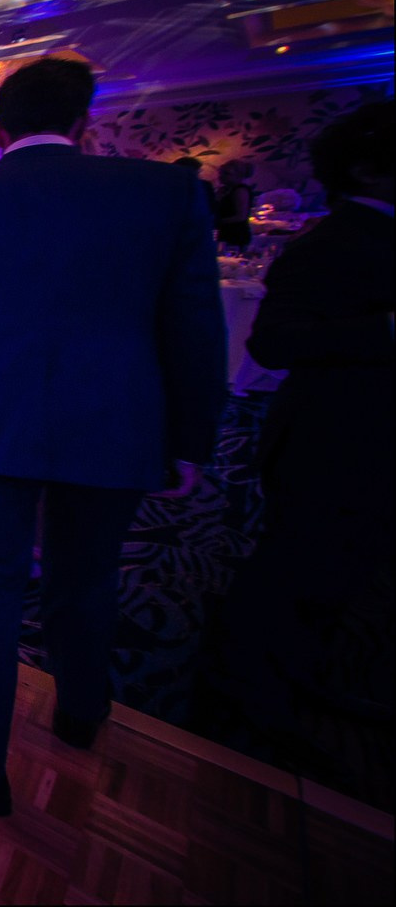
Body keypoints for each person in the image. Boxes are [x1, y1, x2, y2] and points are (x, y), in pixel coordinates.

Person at [0, 57, 225, 817]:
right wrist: (194, 439)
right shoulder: (168, 194)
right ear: (83, 125)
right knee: (88, 576)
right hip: (118, 424)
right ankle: (80, 713)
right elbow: (198, 330)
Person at [198, 101, 393, 761]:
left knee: (337, 562)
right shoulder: (332, 246)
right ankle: (248, 685)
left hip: (356, 434)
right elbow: (276, 342)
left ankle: (293, 671)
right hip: (333, 435)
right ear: (367, 170)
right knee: (296, 561)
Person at [214, 159, 254, 249]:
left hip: (236, 234)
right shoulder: (224, 189)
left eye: (227, 174)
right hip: (225, 231)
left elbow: (241, 216)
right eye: (221, 173)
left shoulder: (240, 190)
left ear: (239, 176)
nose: (222, 176)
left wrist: (216, 221)